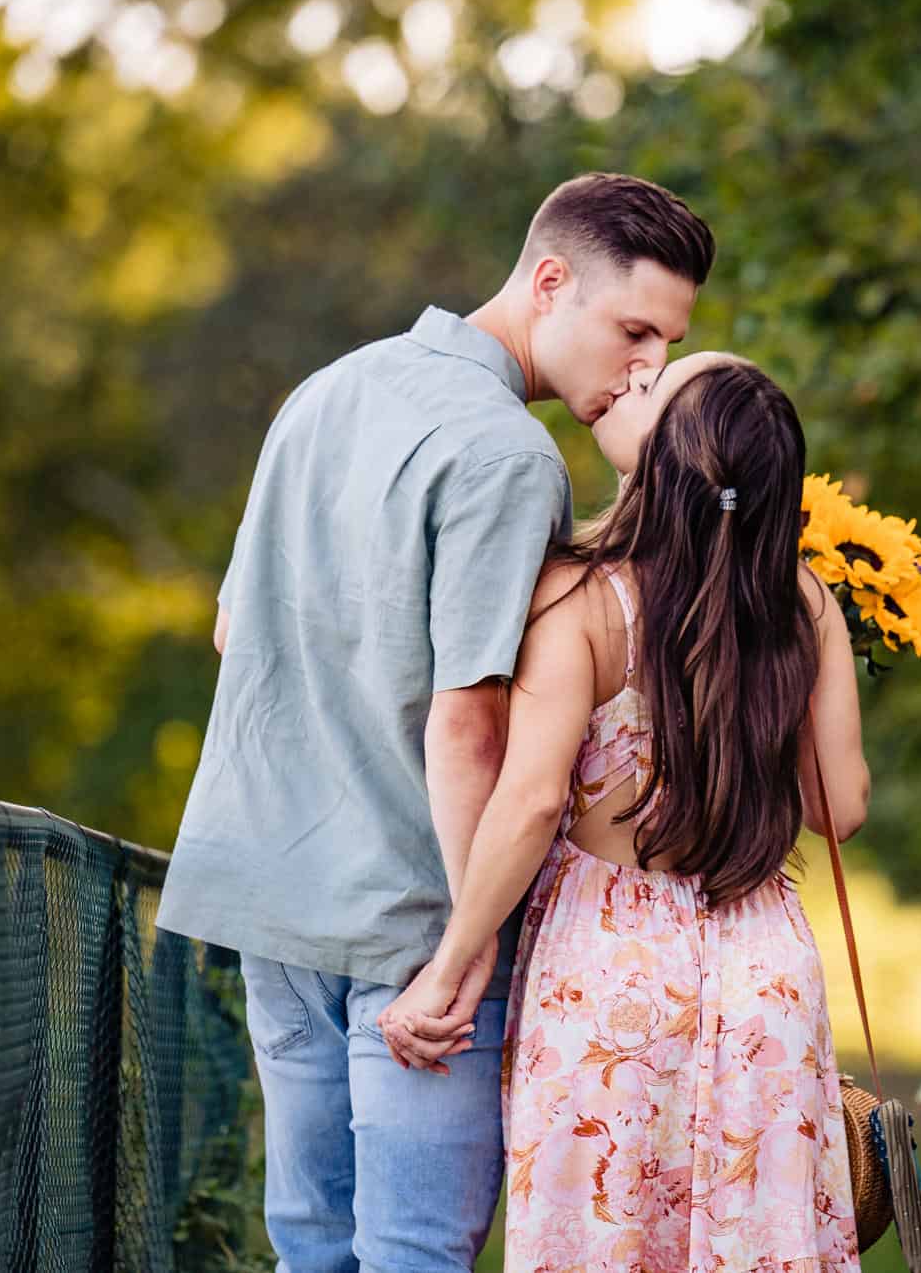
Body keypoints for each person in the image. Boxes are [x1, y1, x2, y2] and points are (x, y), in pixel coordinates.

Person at [157, 173, 715, 1273]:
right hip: (415, 906)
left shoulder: (327, 389)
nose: (646, 368)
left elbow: (236, 627)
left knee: (308, 1246)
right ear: (549, 281)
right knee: (415, 1251)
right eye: (634, 329)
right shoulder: (510, 459)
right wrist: (471, 949)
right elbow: (466, 727)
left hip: (269, 890)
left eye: (667, 343)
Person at [382, 353, 871, 1270]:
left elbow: (528, 801)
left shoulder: (583, 597)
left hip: (609, 976)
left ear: (662, 459)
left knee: (603, 1237)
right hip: (763, 966)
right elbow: (837, 806)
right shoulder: (803, 603)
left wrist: (451, 964)